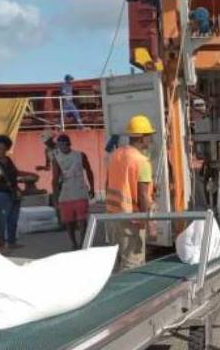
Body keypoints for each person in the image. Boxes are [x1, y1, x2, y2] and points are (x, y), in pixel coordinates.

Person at [106, 114, 157, 271]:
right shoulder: (142, 162)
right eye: (149, 136)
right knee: (132, 265)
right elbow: (142, 196)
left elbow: (114, 182)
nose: (151, 139)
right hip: (132, 219)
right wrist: (151, 223)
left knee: (117, 261)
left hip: (113, 215)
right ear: (142, 138)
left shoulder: (116, 155)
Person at [52, 134, 96, 250]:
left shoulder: (80, 155)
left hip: (80, 190)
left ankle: (82, 242)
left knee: (82, 220)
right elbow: (55, 179)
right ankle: (74, 243)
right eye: (59, 144)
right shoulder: (56, 158)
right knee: (68, 221)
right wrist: (55, 198)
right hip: (66, 192)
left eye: (63, 144)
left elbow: (89, 171)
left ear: (68, 144)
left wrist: (92, 188)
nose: (61, 147)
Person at [0, 135, 24, 249]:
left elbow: (14, 174)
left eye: (3, 149)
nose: (1, 151)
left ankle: (11, 241)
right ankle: (1, 242)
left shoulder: (9, 160)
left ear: (7, 149)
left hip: (13, 192)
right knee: (1, 219)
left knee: (13, 218)